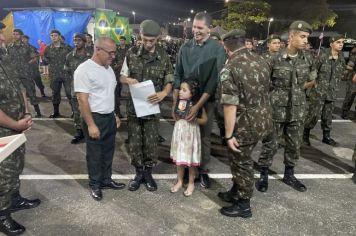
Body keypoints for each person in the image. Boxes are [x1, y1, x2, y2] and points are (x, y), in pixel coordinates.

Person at [256, 21, 317, 193]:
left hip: (297, 110)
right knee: (271, 143)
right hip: (276, 109)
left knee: (294, 144)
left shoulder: (308, 58)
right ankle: (264, 174)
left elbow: (312, 79)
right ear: (291, 37)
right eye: (302, 36)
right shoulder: (274, 58)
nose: (306, 41)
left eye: (307, 37)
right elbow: (263, 84)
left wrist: (298, 89)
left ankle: (289, 174)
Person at [217, 29, 273, 218]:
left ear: (226, 46)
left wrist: (229, 134)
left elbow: (230, 106)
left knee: (241, 163)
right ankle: (236, 190)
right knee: (242, 161)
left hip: (244, 125)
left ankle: (243, 204)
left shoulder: (230, 67)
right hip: (263, 120)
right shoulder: (261, 60)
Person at [173, 12, 226, 188]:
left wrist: (197, 106)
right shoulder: (185, 47)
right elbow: (178, 75)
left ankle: (202, 170)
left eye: (200, 28)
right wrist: (175, 103)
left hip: (205, 100)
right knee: (185, 135)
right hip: (184, 99)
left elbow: (213, 81)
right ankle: (187, 168)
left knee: (203, 137)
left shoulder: (217, 49)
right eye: (194, 27)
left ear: (209, 28)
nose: (195, 30)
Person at [120, 20, 173, 192]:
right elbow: (121, 76)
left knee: (150, 142)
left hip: (151, 106)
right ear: (140, 36)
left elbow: (170, 79)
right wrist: (128, 79)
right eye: (145, 39)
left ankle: (148, 173)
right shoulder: (131, 52)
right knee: (135, 142)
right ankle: (138, 172)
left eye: (152, 40)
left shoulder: (163, 55)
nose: (148, 43)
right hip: (134, 107)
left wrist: (164, 93)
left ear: (158, 38)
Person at [0, 22, 40, 235]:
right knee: (2, 174)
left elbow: (20, 88)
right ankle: (2, 215)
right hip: (3, 130)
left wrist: (25, 113)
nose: (2, 39)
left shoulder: (5, 58)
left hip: (15, 127)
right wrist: (15, 124)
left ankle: (14, 199)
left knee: (16, 166)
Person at [74, 36, 125, 201]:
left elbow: (108, 95)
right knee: (95, 153)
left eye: (114, 53)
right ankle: (95, 184)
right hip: (94, 118)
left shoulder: (108, 69)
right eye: (110, 53)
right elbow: (82, 100)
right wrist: (91, 125)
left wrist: (115, 114)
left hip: (109, 117)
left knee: (108, 151)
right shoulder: (84, 70)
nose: (113, 56)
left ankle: (106, 180)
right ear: (97, 50)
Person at [303, 35, 346, 146]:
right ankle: (305, 136)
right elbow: (312, 71)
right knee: (312, 115)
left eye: (342, 42)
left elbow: (341, 74)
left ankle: (326, 137)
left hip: (332, 92)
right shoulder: (322, 56)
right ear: (331, 44)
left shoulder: (341, 59)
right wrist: (313, 84)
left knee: (327, 116)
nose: (341, 44)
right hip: (318, 92)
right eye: (338, 42)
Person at [170, 80, 207, 196]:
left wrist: (194, 119)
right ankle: (180, 180)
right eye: (180, 89)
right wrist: (175, 110)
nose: (180, 92)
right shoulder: (178, 102)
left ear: (192, 93)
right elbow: (174, 117)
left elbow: (204, 120)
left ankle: (191, 183)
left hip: (191, 134)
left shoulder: (196, 105)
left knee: (190, 161)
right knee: (180, 160)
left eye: (184, 90)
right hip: (179, 133)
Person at [7, 29, 42, 118]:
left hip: (26, 74)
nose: (15, 36)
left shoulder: (27, 46)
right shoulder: (9, 46)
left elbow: (35, 57)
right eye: (13, 34)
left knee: (31, 93)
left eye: (17, 34)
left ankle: (38, 112)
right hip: (14, 75)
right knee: (16, 94)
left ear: (21, 36)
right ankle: (20, 113)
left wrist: (28, 63)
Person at [64, 33, 92, 144]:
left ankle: (90, 130)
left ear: (84, 42)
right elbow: (67, 70)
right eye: (75, 40)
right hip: (75, 89)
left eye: (79, 40)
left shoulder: (91, 55)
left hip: (90, 90)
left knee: (90, 110)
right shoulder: (69, 56)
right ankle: (79, 132)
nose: (76, 42)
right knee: (76, 112)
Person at [44, 29, 73, 118]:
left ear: (59, 36)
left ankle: (74, 112)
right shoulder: (48, 48)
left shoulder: (67, 47)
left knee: (69, 93)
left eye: (55, 35)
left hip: (66, 75)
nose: (54, 37)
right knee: (55, 94)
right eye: (52, 36)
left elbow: (72, 59)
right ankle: (56, 112)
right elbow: (46, 60)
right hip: (54, 75)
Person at [112, 36, 129, 118]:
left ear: (125, 41)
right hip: (118, 70)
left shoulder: (128, 49)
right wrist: (116, 65)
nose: (122, 41)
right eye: (120, 40)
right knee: (117, 86)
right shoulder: (117, 49)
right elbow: (113, 60)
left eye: (123, 40)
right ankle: (117, 105)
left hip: (126, 70)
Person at [341, 46, 356, 119]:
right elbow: (350, 65)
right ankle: (345, 113)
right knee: (350, 96)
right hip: (353, 78)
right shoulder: (354, 54)